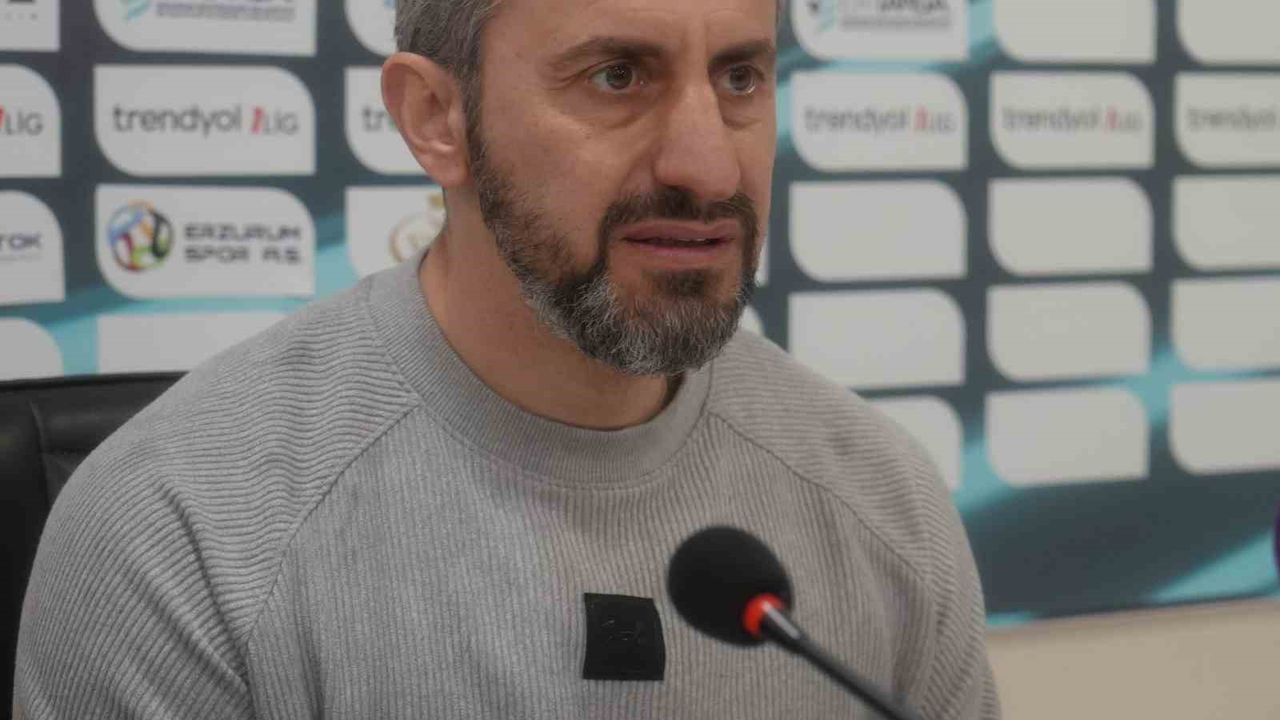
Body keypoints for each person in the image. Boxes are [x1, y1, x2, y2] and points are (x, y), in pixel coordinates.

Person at [14, 0, 1000, 715]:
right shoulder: (181, 530)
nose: (707, 167)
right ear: (434, 118)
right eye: (618, 76)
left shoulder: (881, 501)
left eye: (739, 77)